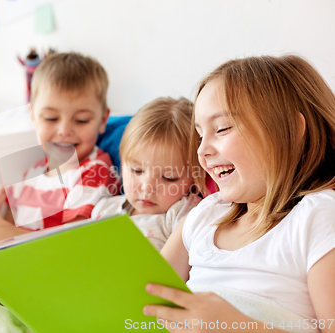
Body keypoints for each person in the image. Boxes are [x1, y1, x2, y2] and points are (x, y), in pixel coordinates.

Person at [143, 55, 335, 331]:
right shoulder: (203, 218)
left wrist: (237, 326)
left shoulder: (317, 217)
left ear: (291, 130)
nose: (202, 150)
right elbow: (143, 307)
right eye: (200, 135)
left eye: (222, 129)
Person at [0, 52, 120, 242]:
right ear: (33, 116)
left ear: (103, 120)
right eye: (51, 118)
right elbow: (9, 230)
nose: (64, 130)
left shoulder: (95, 172)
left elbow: (69, 246)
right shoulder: (32, 169)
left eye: (81, 120)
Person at [91, 97, 201, 251]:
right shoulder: (104, 209)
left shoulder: (183, 215)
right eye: (137, 170)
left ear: (195, 179)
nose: (147, 188)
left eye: (169, 178)